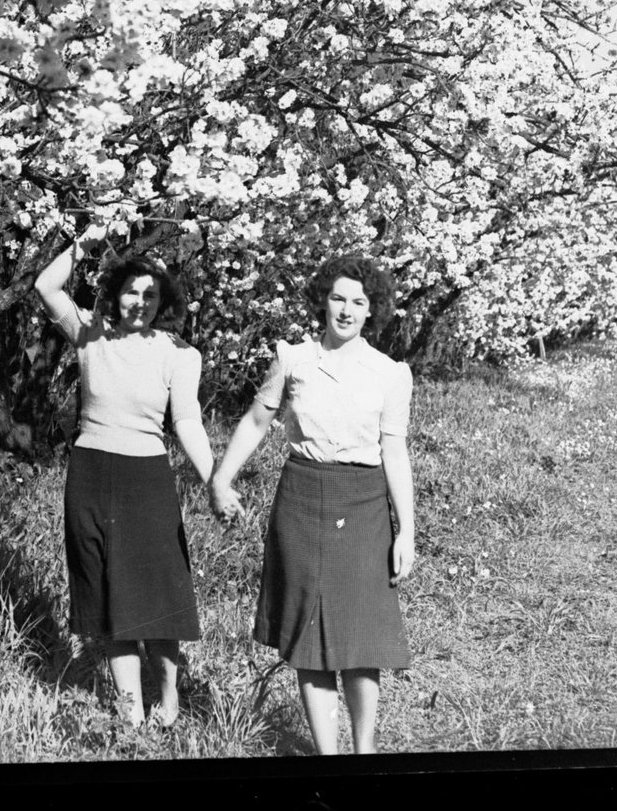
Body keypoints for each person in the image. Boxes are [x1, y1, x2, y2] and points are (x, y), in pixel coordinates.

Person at [209, 255, 416, 755]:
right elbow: (256, 421)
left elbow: (394, 452)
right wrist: (221, 478)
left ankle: (363, 754)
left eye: (358, 302)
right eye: (337, 298)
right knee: (308, 634)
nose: (346, 310)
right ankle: (327, 758)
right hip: (301, 500)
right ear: (322, 300)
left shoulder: (389, 374)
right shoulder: (293, 358)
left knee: (361, 636)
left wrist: (406, 531)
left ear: (372, 309)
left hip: (364, 504)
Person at [35, 239, 214, 727]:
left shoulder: (181, 354)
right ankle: (130, 711)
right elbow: (46, 286)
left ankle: (169, 699)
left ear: (163, 301)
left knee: (158, 597)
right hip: (90, 475)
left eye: (150, 294)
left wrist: (214, 480)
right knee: (109, 596)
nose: (140, 302)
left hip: (146, 479)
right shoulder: (91, 334)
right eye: (132, 291)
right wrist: (87, 239)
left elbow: (188, 422)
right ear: (115, 294)